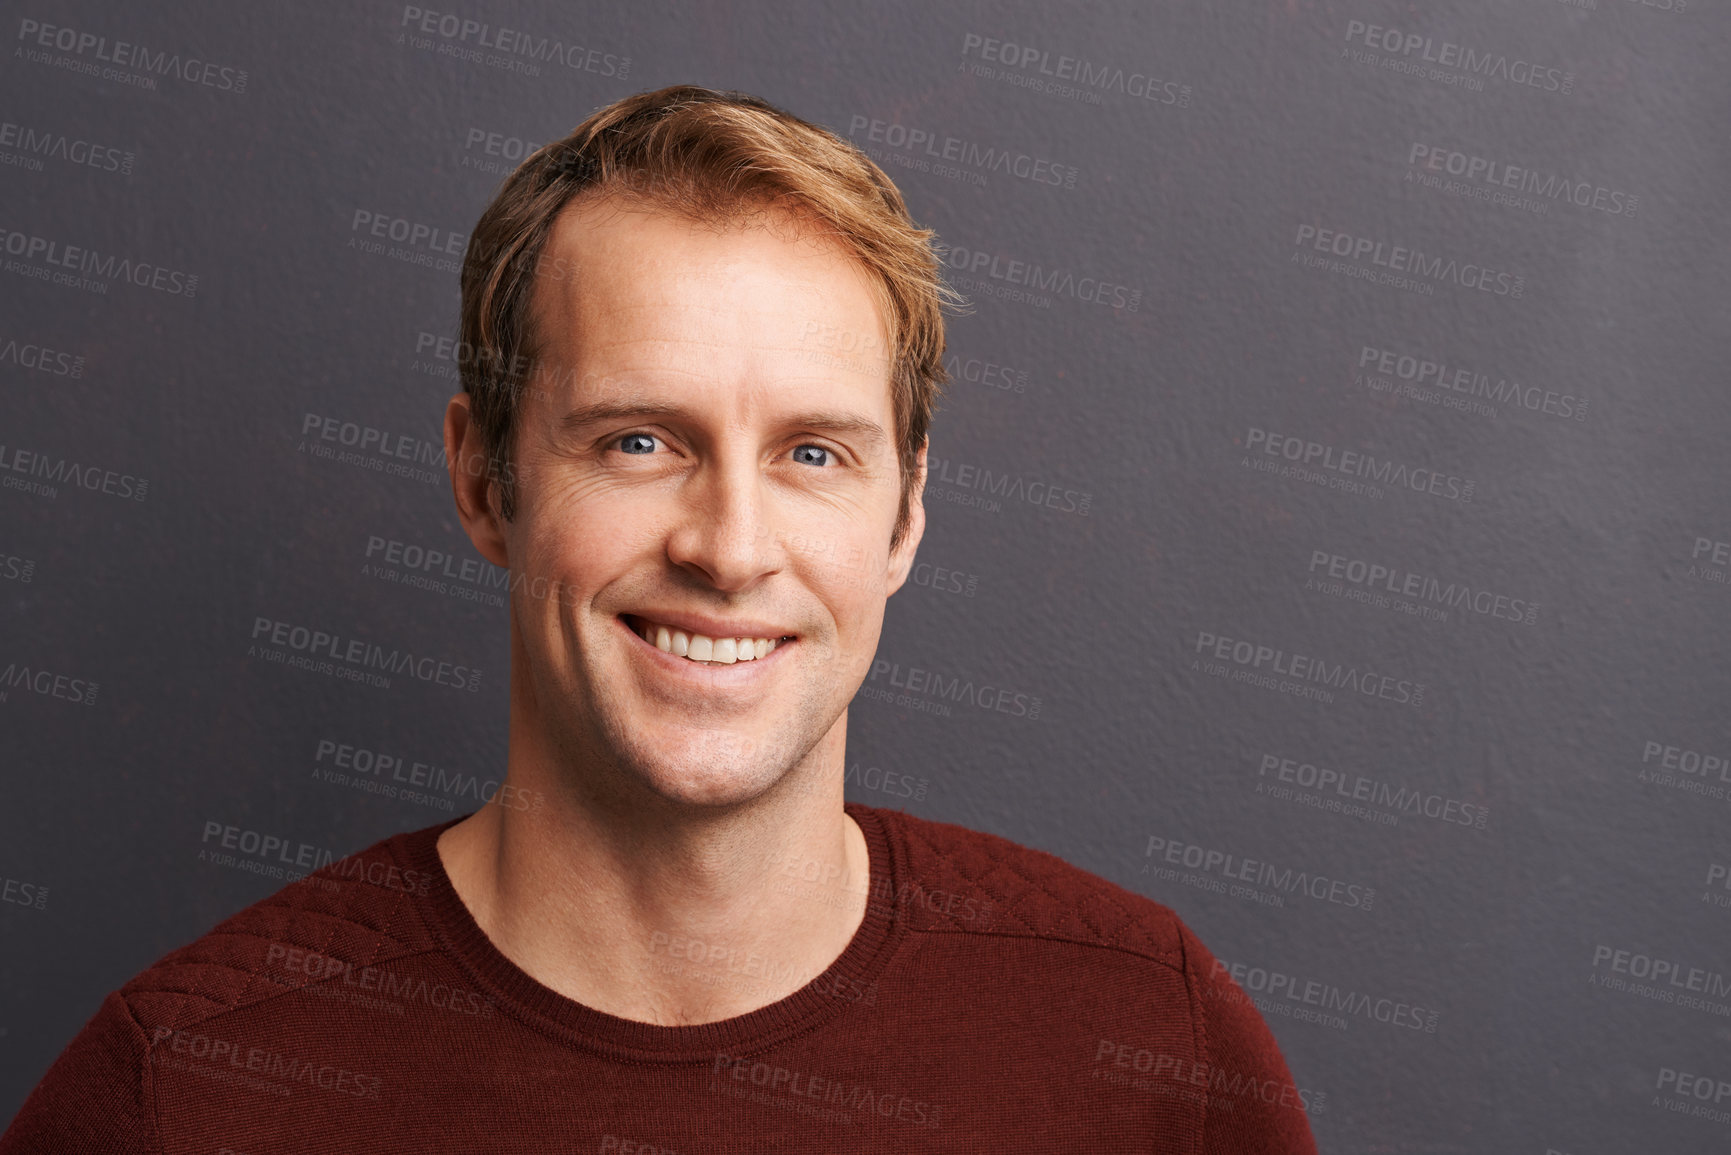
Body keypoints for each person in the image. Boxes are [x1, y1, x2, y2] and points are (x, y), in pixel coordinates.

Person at [2, 85, 1318, 1153]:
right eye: (638, 440)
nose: (730, 548)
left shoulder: (1147, 1050)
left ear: (906, 515)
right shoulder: (178, 1096)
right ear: (483, 481)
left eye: (814, 455)